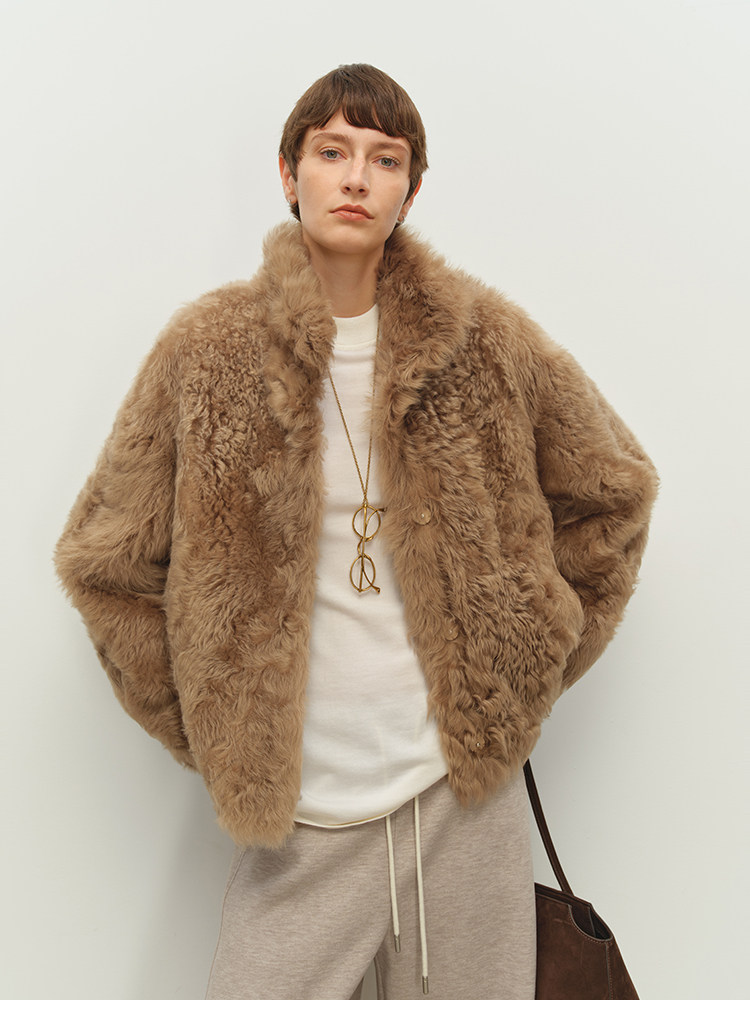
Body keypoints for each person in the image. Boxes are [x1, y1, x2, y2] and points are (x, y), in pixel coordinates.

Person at [55, 64, 658, 1000]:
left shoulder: (486, 342)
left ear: (410, 189)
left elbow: (615, 491)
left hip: (461, 805)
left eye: (384, 158)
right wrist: (217, 721)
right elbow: (103, 560)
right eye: (331, 151)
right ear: (288, 174)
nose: (355, 177)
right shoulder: (207, 353)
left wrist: (523, 664)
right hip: (300, 819)